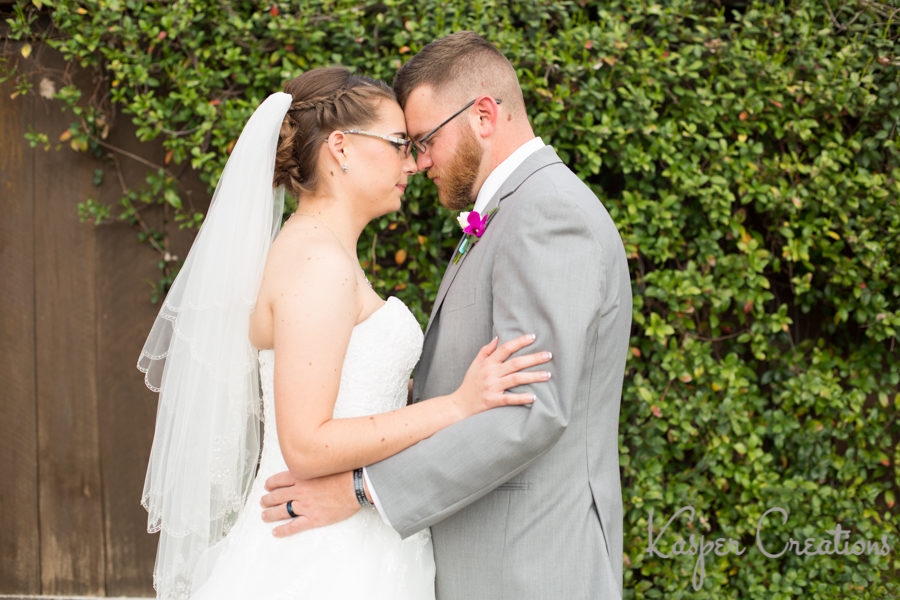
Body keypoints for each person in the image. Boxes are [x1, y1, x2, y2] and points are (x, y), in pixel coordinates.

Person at [137, 66, 552, 600]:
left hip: (349, 538)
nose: (414, 160)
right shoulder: (317, 263)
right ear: (341, 147)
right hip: (322, 558)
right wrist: (457, 406)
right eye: (400, 143)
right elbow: (307, 443)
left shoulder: (319, 252)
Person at [261, 32, 632, 599]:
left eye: (426, 138)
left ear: (484, 114)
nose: (420, 159)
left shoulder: (549, 214)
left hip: (527, 565)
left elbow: (531, 411)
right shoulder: (512, 213)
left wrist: (364, 488)